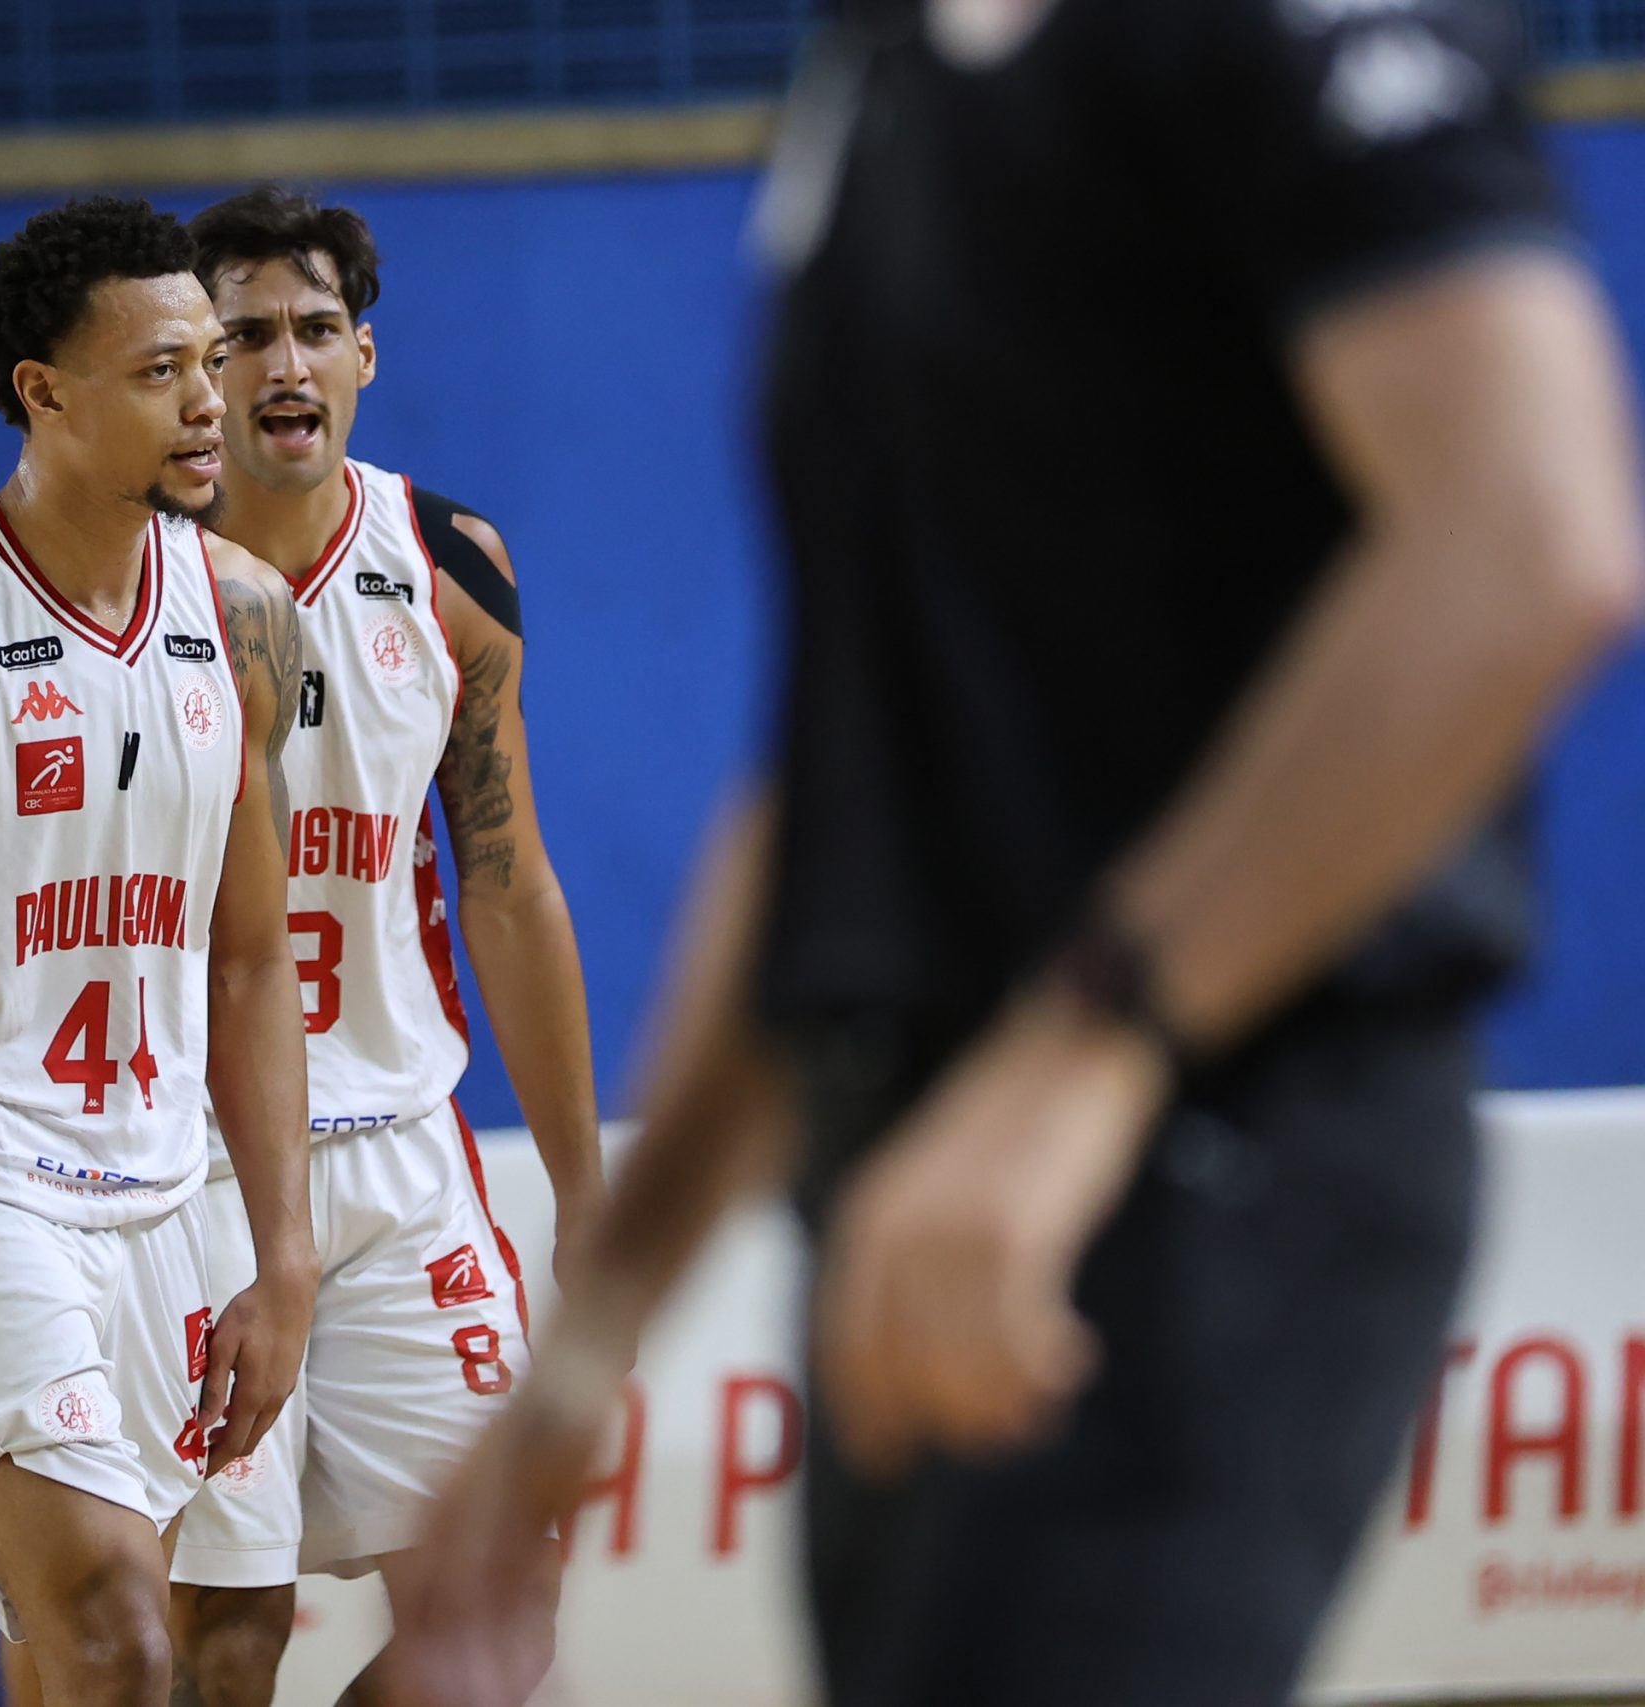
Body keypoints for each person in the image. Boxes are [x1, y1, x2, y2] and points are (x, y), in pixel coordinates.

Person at [390, 0, 1645, 1704]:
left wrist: (1086, 1049)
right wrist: (595, 1330)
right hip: (909, 1175)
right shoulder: (884, 80)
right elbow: (844, 777)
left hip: (1201, 1132)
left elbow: (1526, 539)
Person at [0, 194, 315, 1707]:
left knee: (72, 1665)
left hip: (161, 1188)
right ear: (44, 392)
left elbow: (248, 962)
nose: (212, 401)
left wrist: (282, 1254)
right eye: (162, 371)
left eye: (210, 361)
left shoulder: (245, 616)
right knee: (118, 1636)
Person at [162, 186, 603, 1707]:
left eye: (316, 328)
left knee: (498, 1620)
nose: (284, 363)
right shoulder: (126, 576)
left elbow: (509, 888)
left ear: (364, 355)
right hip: (192, 1169)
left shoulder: (449, 567)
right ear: (194, 372)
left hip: (399, 1153)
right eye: (244, 336)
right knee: (225, 1642)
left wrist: (585, 1193)